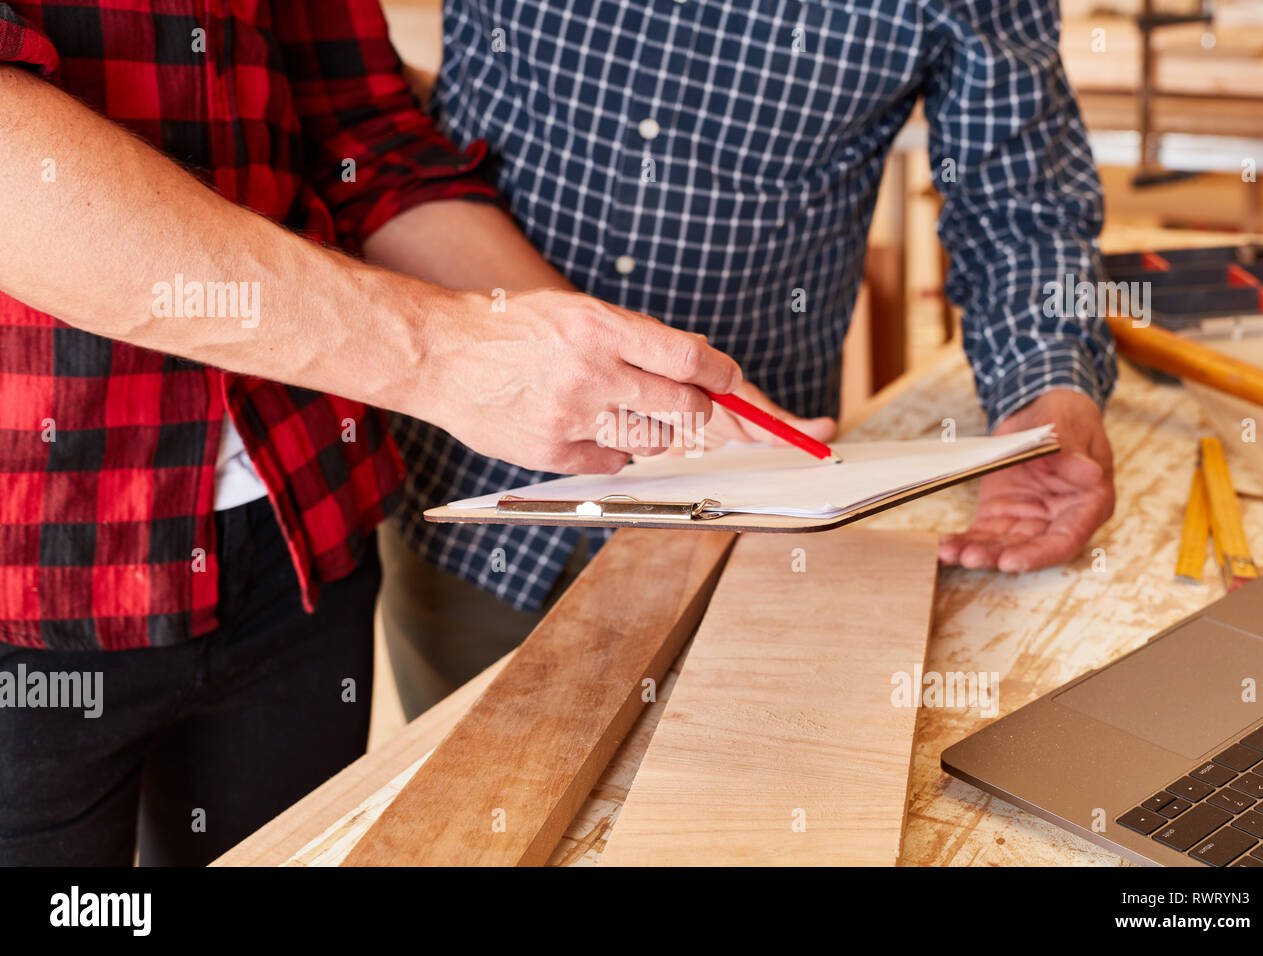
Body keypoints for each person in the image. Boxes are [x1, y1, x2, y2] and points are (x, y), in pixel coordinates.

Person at [0, 0, 739, 865]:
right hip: (31, 575)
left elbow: (364, 135)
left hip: (305, 532)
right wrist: (441, 353)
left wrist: (605, 368)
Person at [379, 0, 1118, 718]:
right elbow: (373, 130)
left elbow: (1021, 205)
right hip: (469, 490)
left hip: (751, 510)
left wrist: (1041, 378)